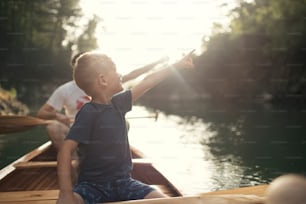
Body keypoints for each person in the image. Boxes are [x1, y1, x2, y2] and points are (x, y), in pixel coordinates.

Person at [56, 51, 194, 204]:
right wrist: (66, 193)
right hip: (91, 187)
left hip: (124, 183)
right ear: (102, 80)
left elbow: (148, 81)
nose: (120, 73)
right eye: (115, 70)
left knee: (166, 201)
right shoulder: (88, 112)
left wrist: (177, 66)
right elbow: (65, 151)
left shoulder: (119, 103)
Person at [37, 52, 167, 151]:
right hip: (75, 133)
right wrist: (57, 115)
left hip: (100, 131)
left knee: (124, 123)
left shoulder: (108, 81)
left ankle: (110, 157)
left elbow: (134, 74)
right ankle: (75, 159)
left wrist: (157, 63)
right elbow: (42, 113)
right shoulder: (64, 90)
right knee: (53, 127)